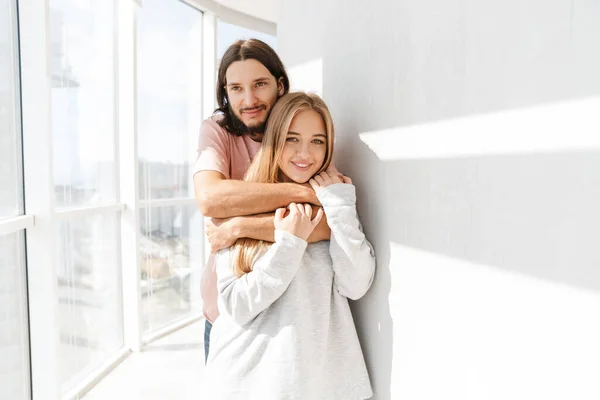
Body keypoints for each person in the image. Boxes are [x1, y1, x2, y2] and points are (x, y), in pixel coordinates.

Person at [205, 92, 375, 399]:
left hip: (316, 384)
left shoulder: (333, 203)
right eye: (292, 138)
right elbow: (237, 306)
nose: (304, 153)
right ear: (273, 140)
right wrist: (289, 244)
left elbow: (356, 284)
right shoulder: (242, 206)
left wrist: (340, 207)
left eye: (317, 141)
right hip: (247, 383)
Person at [193, 39, 332, 362]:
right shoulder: (217, 131)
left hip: (284, 317)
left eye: (259, 85)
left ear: (280, 85)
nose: (249, 99)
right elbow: (210, 199)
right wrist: (301, 193)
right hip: (223, 309)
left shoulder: (301, 129)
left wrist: (240, 224)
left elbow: (325, 224)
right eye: (236, 88)